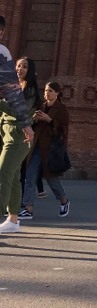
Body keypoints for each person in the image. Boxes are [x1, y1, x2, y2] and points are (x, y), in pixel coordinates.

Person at [0, 16, 34, 235]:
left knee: (4, 174)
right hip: (6, 130)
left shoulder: (2, 53)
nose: (19, 68)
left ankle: (12, 218)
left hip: (15, 133)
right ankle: (13, 220)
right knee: (8, 176)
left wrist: (26, 124)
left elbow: (12, 92)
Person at [20, 81, 70, 219]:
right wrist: (34, 120)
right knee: (30, 177)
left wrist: (50, 121)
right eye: (46, 91)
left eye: (50, 91)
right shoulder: (41, 106)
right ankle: (28, 208)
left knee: (51, 179)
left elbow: (64, 130)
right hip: (37, 147)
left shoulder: (61, 109)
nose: (47, 93)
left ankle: (64, 200)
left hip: (51, 149)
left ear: (57, 93)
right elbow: (33, 126)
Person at [16, 57, 44, 199]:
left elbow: (23, 111)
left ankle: (18, 204)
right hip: (8, 131)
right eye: (18, 65)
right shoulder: (14, 86)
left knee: (15, 169)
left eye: (24, 66)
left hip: (20, 134)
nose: (20, 69)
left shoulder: (30, 90)